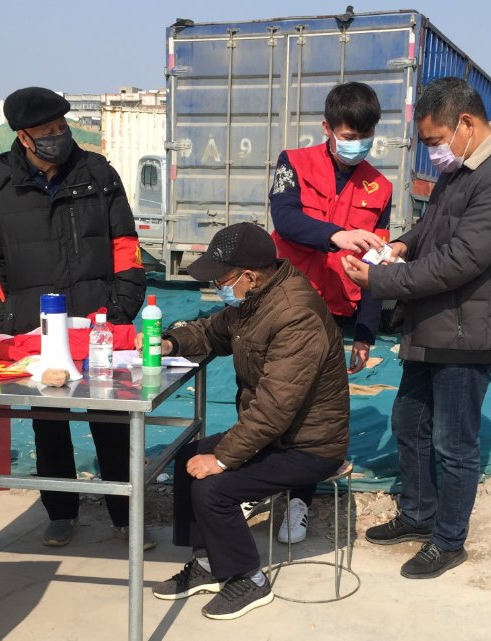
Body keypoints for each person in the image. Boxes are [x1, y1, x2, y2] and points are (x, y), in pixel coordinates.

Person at [341, 77, 491, 579]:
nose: (433, 153)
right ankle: (418, 514)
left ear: (466, 124)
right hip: (434, 322)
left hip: (469, 330)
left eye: (435, 141)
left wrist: (381, 279)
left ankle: (448, 540)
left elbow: (462, 260)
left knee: (454, 442)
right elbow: (433, 228)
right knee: (409, 422)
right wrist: (402, 245)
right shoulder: (463, 168)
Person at [0, 87, 147, 547]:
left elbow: (125, 247)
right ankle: (62, 513)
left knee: (111, 420)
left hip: (98, 321)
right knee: (48, 423)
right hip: (36, 331)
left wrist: (119, 309)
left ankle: (125, 516)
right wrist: (11, 317)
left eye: (61, 127)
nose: (58, 136)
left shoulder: (97, 174)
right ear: (23, 137)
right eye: (46, 131)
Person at [148, 222, 349, 619]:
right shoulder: (254, 302)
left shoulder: (294, 316)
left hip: (309, 445)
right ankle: (208, 563)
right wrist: (170, 341)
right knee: (188, 458)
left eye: (222, 281)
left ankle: (249, 580)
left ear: (250, 276)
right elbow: (212, 331)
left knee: (214, 486)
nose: (218, 288)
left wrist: (223, 459)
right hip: (279, 435)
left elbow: (275, 407)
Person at [266, 81, 392, 542]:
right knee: (263, 396)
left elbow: (376, 262)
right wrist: (336, 235)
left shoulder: (380, 187)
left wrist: (366, 332)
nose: (357, 144)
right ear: (327, 128)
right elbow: (285, 219)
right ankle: (255, 482)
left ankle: (297, 501)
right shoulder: (293, 163)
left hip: (332, 313)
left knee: (311, 410)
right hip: (281, 303)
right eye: (349, 135)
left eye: (366, 135)